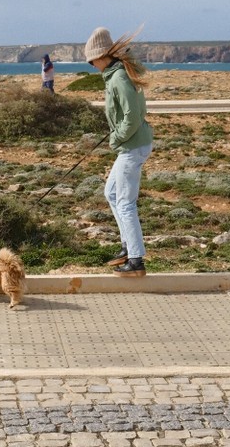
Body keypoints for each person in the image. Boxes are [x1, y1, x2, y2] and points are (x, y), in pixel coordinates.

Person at [84, 26, 153, 277]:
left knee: (125, 203)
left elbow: (133, 114)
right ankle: (128, 247)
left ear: (103, 56)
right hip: (132, 144)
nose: (92, 65)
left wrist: (117, 137)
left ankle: (136, 260)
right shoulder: (117, 74)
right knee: (111, 192)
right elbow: (129, 113)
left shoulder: (119, 78)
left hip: (132, 146)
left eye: (92, 60)